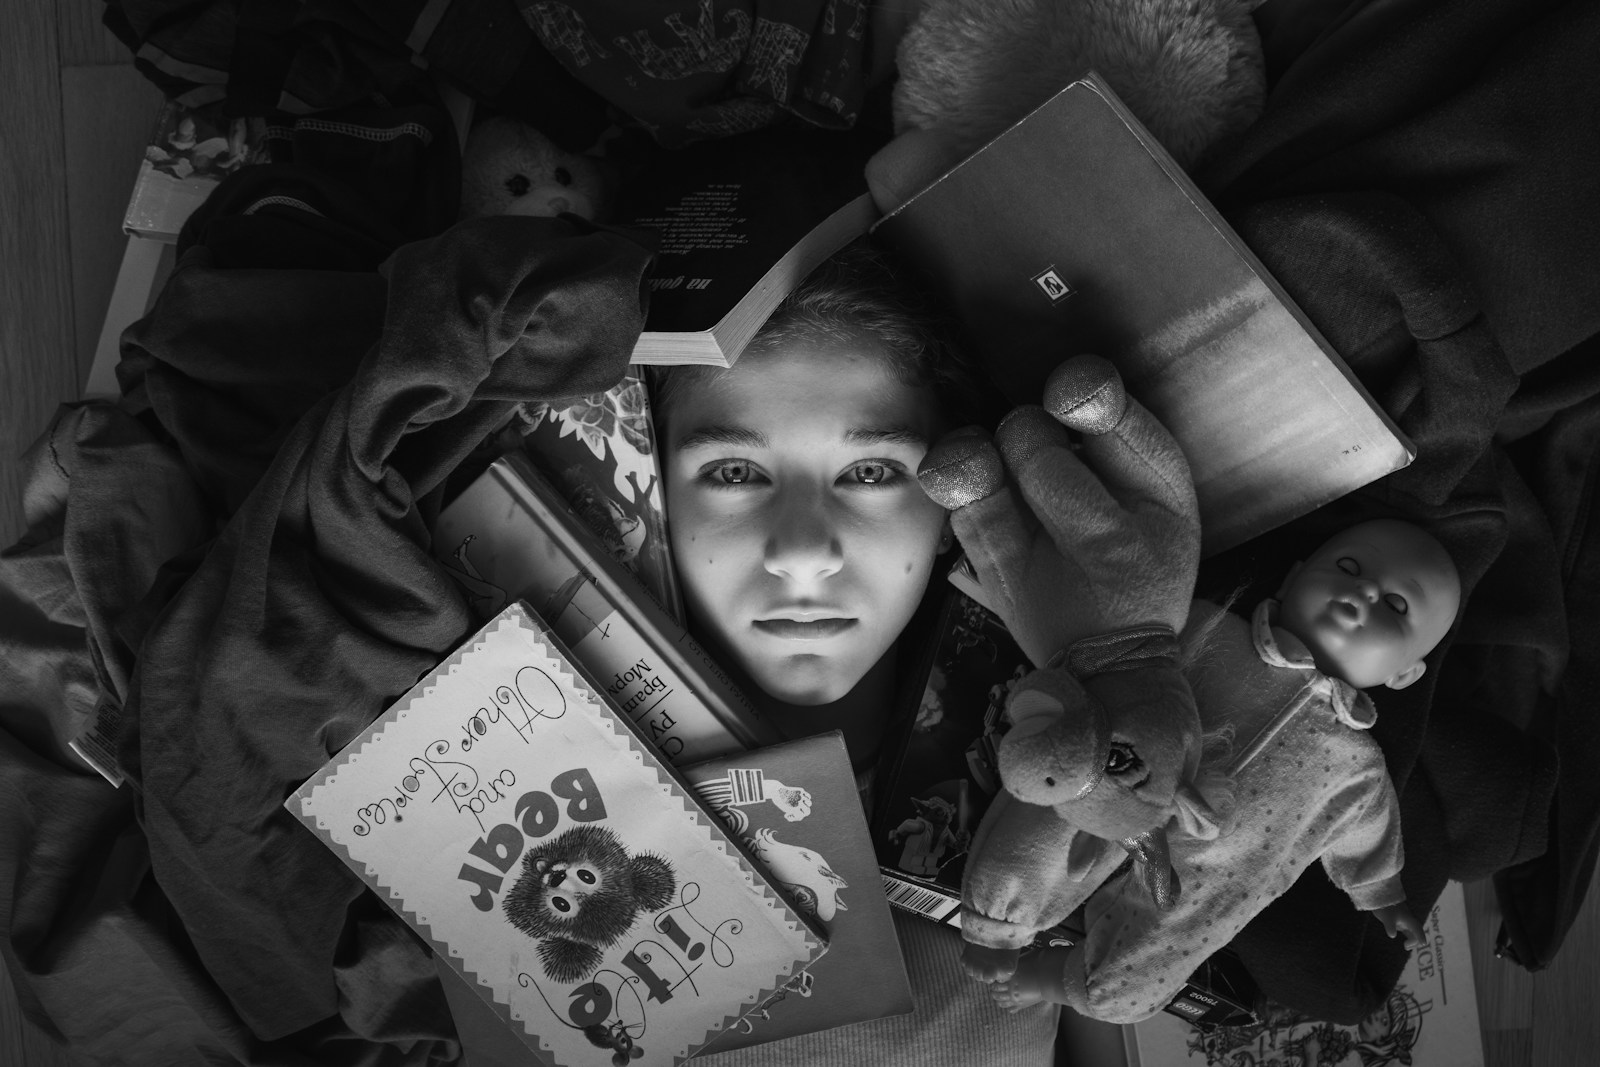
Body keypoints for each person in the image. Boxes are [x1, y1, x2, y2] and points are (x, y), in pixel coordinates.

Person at [650, 241, 1065, 1065]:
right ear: (650, 494)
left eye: (871, 471)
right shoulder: (508, 772)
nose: (804, 554)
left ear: (957, 501)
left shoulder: (1071, 757)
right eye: (734, 471)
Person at [982, 518, 1461, 1022]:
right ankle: (997, 921)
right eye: (1348, 566)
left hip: (1212, 875)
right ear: (1292, 579)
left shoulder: (1358, 768)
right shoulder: (1206, 626)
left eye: (1396, 605)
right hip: (1127, 780)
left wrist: (1383, 897)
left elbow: (1369, 835)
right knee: (1051, 826)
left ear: (1403, 674)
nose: (1363, 592)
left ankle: (1060, 979)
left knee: (1148, 966)